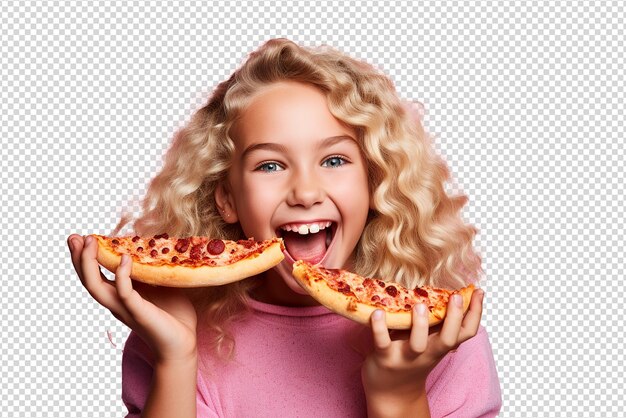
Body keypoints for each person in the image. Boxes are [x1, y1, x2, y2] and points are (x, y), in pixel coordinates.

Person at [67, 38, 502, 417]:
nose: (306, 191)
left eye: (334, 160)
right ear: (228, 199)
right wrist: (176, 357)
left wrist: (399, 397)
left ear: (373, 182)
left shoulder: (439, 332)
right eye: (270, 165)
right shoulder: (171, 326)